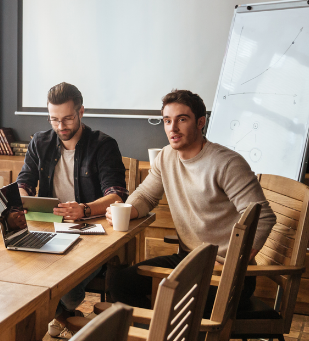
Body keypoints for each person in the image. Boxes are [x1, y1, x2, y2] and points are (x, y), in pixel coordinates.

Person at [107, 89, 276, 312]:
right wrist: (127, 209)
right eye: (167, 121)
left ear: (200, 123)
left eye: (182, 119)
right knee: (120, 283)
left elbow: (263, 217)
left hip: (227, 272)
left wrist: (233, 263)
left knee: (173, 304)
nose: (172, 128)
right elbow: (146, 196)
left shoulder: (227, 164)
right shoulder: (166, 157)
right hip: (188, 260)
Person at [16, 82, 128, 339]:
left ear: (81, 112)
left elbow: (117, 195)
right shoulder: (40, 142)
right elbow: (23, 183)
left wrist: (85, 210)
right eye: (54, 119)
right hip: (46, 226)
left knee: (65, 280)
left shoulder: (103, 145)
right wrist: (23, 200)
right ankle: (62, 316)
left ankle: (59, 312)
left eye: (67, 118)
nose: (61, 126)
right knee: (18, 267)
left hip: (90, 232)